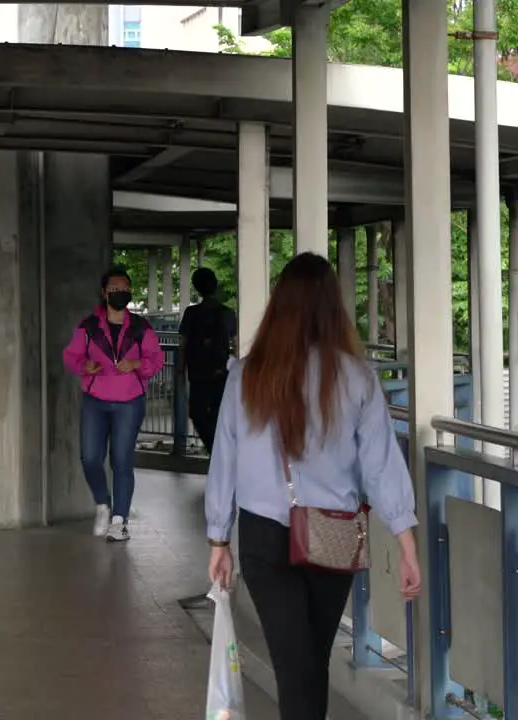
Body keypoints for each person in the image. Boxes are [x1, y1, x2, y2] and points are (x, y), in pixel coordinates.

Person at [205, 253, 422, 720]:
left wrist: (219, 537)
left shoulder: (246, 375)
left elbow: (225, 459)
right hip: (334, 536)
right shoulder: (357, 377)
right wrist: (406, 542)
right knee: (306, 665)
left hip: (264, 537)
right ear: (332, 307)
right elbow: (381, 464)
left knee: (300, 667)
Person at [62, 265, 165, 541]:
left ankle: (119, 521)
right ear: (104, 292)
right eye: (115, 289)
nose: (120, 293)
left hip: (130, 401)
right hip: (95, 400)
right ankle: (102, 503)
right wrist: (86, 366)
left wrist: (136, 364)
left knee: (122, 461)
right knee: (90, 458)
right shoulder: (89, 326)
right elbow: (71, 356)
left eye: (125, 289)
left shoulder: (141, 328)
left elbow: (156, 360)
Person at [178, 267, 237, 453]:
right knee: (219, 415)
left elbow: (183, 345)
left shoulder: (191, 313)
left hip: (197, 374)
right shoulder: (227, 312)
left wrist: (180, 369)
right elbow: (237, 345)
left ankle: (214, 450)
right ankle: (219, 452)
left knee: (198, 414)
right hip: (222, 373)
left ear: (197, 288)